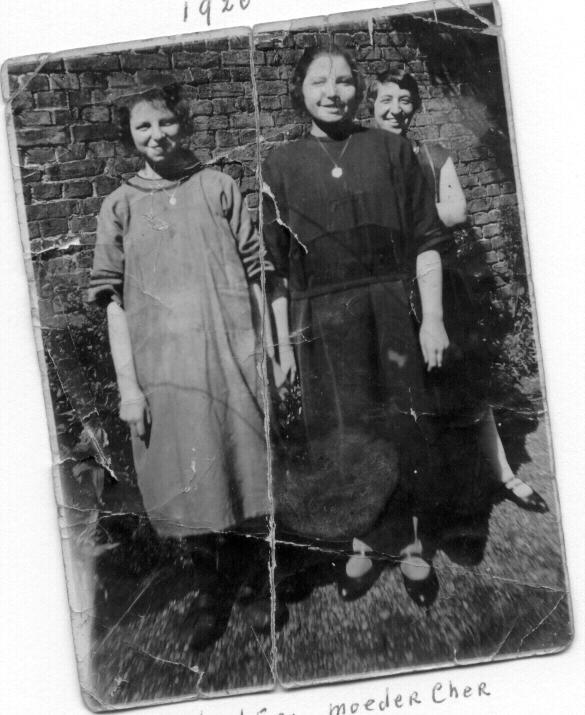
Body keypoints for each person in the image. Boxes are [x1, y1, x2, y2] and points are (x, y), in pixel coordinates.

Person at [89, 84, 277, 648]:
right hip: (163, 371)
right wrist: (129, 389)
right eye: (142, 127)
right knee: (188, 481)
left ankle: (260, 581)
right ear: (128, 136)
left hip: (229, 360)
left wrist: (266, 349)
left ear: (184, 123)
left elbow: (256, 273)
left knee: (244, 469)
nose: (156, 136)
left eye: (165, 122)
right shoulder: (119, 205)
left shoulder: (220, 187)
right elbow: (113, 301)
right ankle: (208, 591)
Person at [262, 47, 452, 596]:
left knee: (403, 426)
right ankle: (364, 545)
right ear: (300, 90)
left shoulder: (392, 150)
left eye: (344, 81)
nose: (333, 92)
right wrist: (282, 349)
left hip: (392, 309)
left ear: (358, 89)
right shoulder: (278, 165)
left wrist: (432, 318)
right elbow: (275, 272)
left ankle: (413, 547)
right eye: (319, 82)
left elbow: (428, 241)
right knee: (346, 434)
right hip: (322, 320)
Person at [369, 68, 548, 513]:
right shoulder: (359, 158)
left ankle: (504, 474)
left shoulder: (433, 155)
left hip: (439, 286)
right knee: (397, 395)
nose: (396, 108)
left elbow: (457, 210)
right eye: (386, 99)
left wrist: (401, 217)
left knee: (463, 385)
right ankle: (412, 499)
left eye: (405, 99)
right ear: (370, 106)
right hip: (386, 292)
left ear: (415, 106)